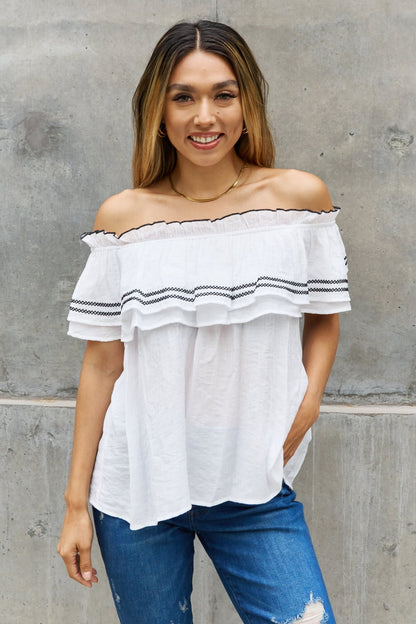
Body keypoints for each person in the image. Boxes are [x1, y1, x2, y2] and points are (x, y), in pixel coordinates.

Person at [58, 20, 350, 624]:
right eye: (183, 97)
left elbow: (324, 318)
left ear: (247, 104)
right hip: (136, 489)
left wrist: (307, 405)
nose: (204, 116)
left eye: (223, 94)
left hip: (254, 485)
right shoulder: (124, 218)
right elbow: (103, 364)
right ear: (158, 111)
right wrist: (76, 504)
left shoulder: (298, 200)